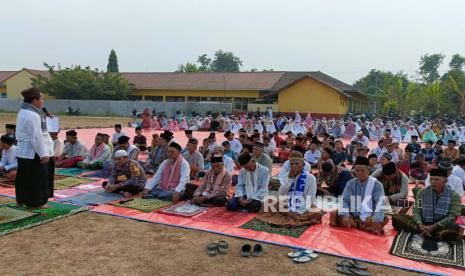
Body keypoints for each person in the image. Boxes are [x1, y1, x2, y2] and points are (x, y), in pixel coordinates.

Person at [392, 168, 463, 241]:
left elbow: (452, 216)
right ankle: (430, 233)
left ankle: (427, 232)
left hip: (440, 225)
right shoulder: (422, 192)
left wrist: (433, 226)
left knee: (454, 228)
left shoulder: (454, 195)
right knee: (397, 217)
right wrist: (420, 224)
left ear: (445, 181)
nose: (433, 182)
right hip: (423, 223)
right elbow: (416, 210)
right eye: (431, 179)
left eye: (436, 179)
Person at [256, 154, 323, 227]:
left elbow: (311, 198)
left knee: (316, 214)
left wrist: (298, 211)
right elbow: (281, 193)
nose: (294, 166)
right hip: (287, 203)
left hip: (303, 204)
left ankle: (291, 215)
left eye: (297, 163)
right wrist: (289, 179)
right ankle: (290, 214)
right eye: (292, 164)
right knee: (268, 202)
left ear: (303, 165)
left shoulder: (311, 178)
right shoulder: (287, 175)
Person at [15, 88, 55, 208]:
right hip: (33, 152)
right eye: (41, 98)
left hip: (24, 152)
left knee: (23, 177)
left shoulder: (24, 111)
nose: (42, 101)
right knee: (36, 178)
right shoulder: (32, 115)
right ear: (34, 100)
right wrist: (43, 154)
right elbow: (36, 137)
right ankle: (36, 203)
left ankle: (21, 200)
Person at [329, 156, 387, 235]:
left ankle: (362, 226)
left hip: (369, 216)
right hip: (353, 215)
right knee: (333, 214)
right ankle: (363, 227)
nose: (359, 173)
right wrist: (345, 214)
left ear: (369, 170)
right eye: (357, 170)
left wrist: (376, 219)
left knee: (383, 219)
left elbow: (380, 203)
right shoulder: (351, 183)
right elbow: (344, 200)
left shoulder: (377, 184)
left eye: (362, 170)